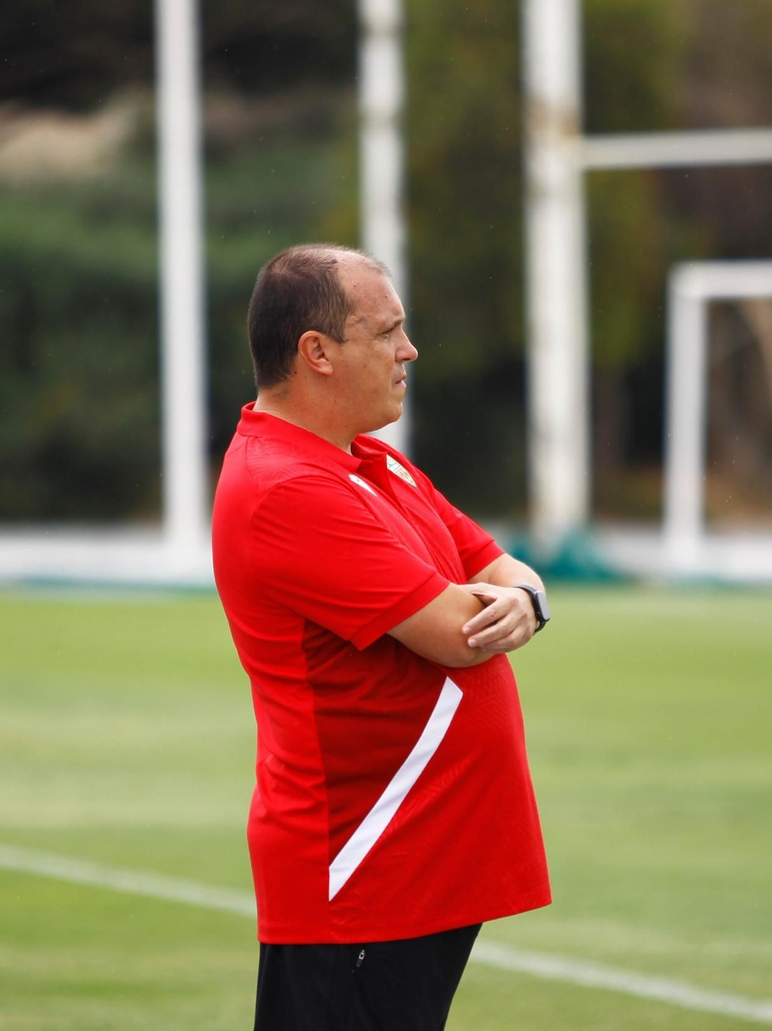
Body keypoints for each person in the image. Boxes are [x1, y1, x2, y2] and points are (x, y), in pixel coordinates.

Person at [212, 244, 553, 1030]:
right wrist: (509, 604)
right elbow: (458, 632)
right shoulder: (287, 487)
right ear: (317, 353)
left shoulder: (371, 464)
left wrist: (528, 601)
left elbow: (505, 570)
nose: (410, 351)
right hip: (363, 874)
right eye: (388, 332)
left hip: (415, 864)